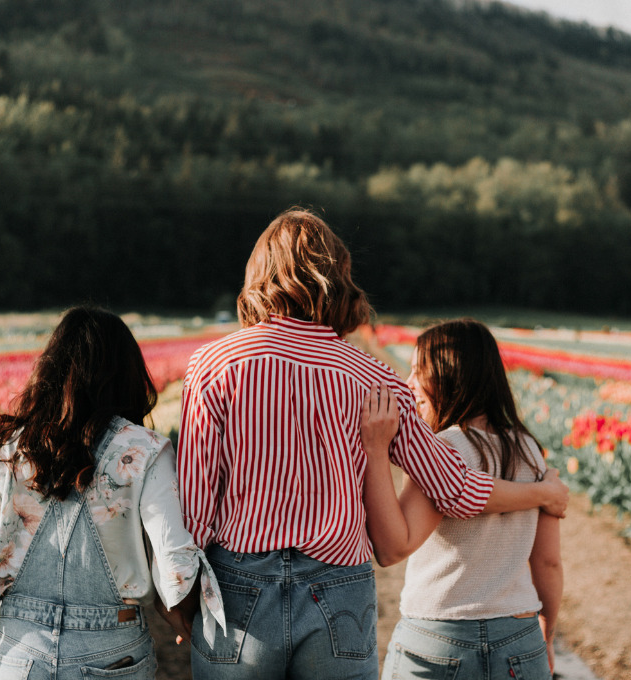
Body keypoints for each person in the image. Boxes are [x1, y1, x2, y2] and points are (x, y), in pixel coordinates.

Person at [175, 209, 568, 680]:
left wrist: (178, 594)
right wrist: (541, 493)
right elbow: (454, 488)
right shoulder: (372, 378)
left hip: (238, 588)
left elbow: (195, 506)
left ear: (259, 276)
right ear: (337, 278)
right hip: (337, 589)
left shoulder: (215, 365)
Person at [0, 307, 224, 680]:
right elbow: (176, 571)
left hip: (20, 655)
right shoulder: (145, 450)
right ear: (127, 374)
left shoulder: (5, 449)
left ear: (50, 371)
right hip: (114, 655)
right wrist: (183, 619)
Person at [361, 319, 563, 680]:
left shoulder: (443, 449)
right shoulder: (531, 451)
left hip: (438, 637)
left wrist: (375, 451)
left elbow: (392, 547)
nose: (409, 386)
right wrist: (545, 635)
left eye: (417, 372)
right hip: (519, 636)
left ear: (447, 375)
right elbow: (547, 562)